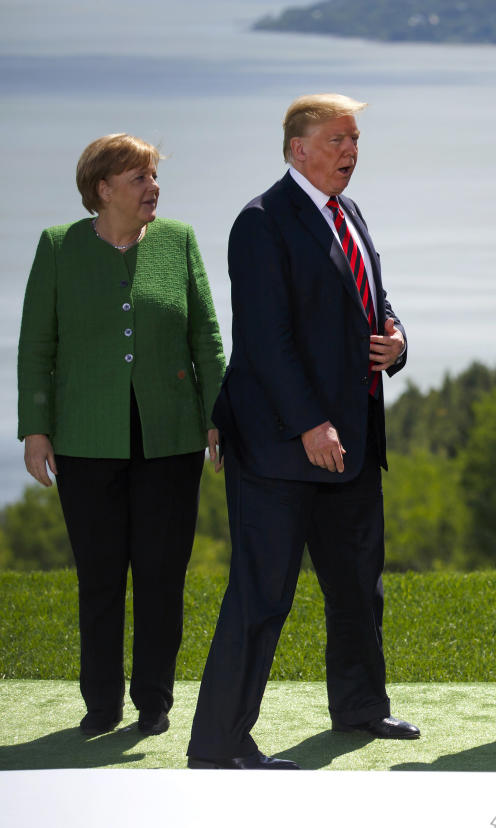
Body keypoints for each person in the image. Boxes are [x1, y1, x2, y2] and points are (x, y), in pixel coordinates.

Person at [187, 93, 417, 770]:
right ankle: (219, 744)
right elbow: (265, 341)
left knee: (357, 588)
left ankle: (360, 708)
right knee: (262, 595)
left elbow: (372, 298)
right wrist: (311, 424)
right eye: (339, 139)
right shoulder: (260, 223)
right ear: (299, 149)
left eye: (355, 141)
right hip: (280, 447)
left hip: (352, 444)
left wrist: (397, 339)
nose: (351, 151)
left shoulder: (350, 215)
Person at [17, 133, 225, 737]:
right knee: (101, 577)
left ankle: (154, 701)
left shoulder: (179, 241)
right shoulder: (57, 247)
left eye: (155, 178)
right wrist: (36, 428)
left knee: (162, 575)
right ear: (102, 189)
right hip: (85, 442)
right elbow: (37, 345)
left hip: (171, 440)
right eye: (141, 178)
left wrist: (217, 415)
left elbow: (207, 337)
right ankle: (101, 703)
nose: (154, 188)